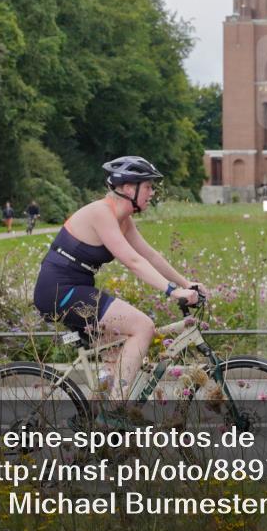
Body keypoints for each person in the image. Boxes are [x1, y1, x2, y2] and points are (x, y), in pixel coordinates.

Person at [32, 156, 208, 428]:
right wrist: (172, 292)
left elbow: (149, 255)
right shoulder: (101, 213)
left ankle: (91, 423)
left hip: (76, 288)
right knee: (142, 326)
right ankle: (113, 412)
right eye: (148, 186)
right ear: (128, 188)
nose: (152, 193)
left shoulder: (124, 220)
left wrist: (187, 284)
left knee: (116, 358)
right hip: (60, 290)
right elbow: (133, 261)